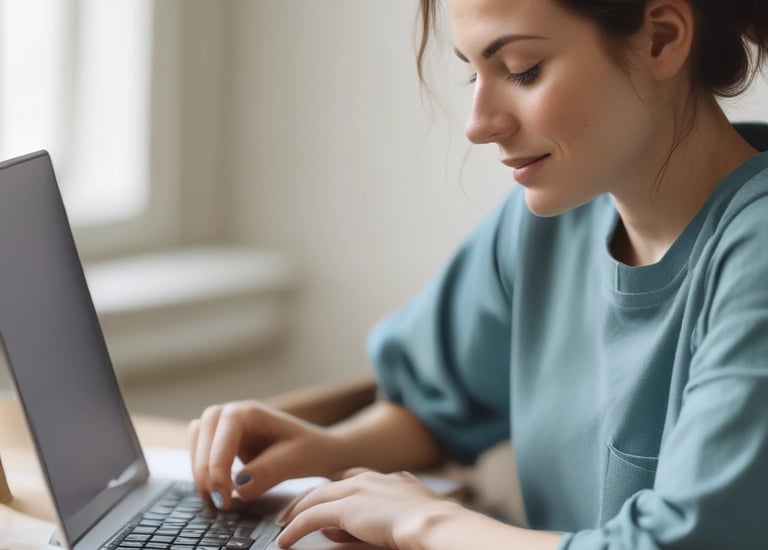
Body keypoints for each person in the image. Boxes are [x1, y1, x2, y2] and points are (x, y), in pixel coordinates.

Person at [189, 0, 768, 548]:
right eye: (473, 75)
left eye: (523, 70)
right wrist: (319, 448)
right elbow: (437, 406)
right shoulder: (548, 221)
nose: (478, 124)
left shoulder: (755, 251)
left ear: (661, 38)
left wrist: (426, 522)